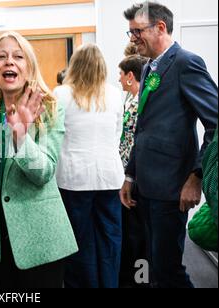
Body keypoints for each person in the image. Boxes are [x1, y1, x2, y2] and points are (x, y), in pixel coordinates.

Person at [0, 31, 78, 288]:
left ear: (29, 66)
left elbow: (44, 173)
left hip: (40, 237)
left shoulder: (50, 108)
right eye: (1, 57)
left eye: (18, 56)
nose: (9, 62)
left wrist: (22, 140)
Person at [120, 1, 218, 288]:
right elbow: (144, 128)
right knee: (152, 266)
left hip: (172, 188)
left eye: (137, 32)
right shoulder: (150, 67)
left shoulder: (186, 62)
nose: (133, 39)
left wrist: (196, 176)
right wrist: (130, 175)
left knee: (167, 271)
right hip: (145, 186)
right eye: (131, 33)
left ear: (160, 27)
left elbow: (215, 122)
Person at [55, 44, 124, 288]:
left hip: (74, 178)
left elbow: (55, 135)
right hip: (108, 175)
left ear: (75, 65)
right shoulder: (115, 94)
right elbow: (118, 134)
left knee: (78, 239)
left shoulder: (61, 94)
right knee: (110, 237)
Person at [117, 54, 148, 288]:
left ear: (130, 76)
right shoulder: (129, 100)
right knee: (130, 233)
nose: (118, 79)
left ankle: (141, 280)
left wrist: (130, 173)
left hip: (136, 175)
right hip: (125, 173)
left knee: (139, 236)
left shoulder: (142, 103)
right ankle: (132, 278)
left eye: (120, 74)